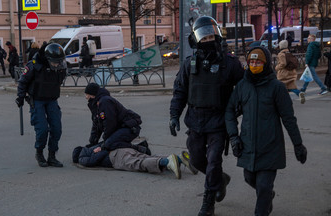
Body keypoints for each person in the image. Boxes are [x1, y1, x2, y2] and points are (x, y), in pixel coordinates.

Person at [169, 16, 244, 216]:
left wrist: (238, 109)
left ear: (217, 35)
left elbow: (246, 89)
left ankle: (208, 202)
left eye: (211, 35)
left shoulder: (230, 64)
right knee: (196, 160)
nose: (208, 39)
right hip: (195, 120)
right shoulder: (189, 64)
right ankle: (221, 179)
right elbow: (180, 92)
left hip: (219, 121)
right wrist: (174, 115)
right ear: (196, 39)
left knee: (213, 162)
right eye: (203, 36)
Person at [225, 47, 307, 216]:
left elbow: (288, 118)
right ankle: (268, 195)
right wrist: (234, 137)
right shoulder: (242, 86)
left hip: (270, 146)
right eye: (251, 62)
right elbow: (229, 112)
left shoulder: (276, 87)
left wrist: (298, 144)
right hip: (247, 145)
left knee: (263, 186)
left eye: (258, 62)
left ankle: (263, 203)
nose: (254, 64)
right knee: (249, 178)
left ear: (266, 63)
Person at [15, 43, 67, 167]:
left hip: (52, 99)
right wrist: (21, 96)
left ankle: (52, 156)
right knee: (42, 129)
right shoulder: (34, 65)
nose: (57, 64)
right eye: (55, 62)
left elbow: (60, 80)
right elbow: (23, 81)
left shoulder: (60, 66)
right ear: (47, 59)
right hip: (37, 99)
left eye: (59, 62)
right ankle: (39, 153)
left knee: (56, 128)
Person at [72, 143, 198, 179]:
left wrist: (100, 152)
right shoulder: (93, 146)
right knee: (146, 157)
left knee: (138, 164)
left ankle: (167, 162)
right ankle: (180, 159)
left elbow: (90, 162)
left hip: (115, 158)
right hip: (123, 149)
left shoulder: (82, 155)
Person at [84, 83, 144, 153]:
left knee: (108, 144)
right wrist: (93, 143)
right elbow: (96, 126)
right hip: (119, 128)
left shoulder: (105, 101)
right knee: (105, 145)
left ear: (91, 94)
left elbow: (109, 123)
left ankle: (139, 149)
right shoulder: (95, 104)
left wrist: (106, 141)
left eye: (86, 94)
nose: (85, 97)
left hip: (129, 127)